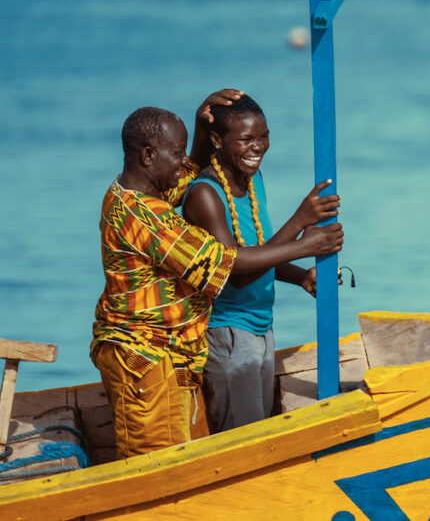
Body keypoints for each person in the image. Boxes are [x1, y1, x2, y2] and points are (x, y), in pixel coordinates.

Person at [91, 91, 344, 459]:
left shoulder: (137, 189)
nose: (184, 163)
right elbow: (224, 263)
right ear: (147, 156)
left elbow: (184, 177)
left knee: (195, 459)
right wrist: (306, 239)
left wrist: (198, 127)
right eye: (176, 154)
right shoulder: (145, 217)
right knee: (158, 467)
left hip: (173, 354)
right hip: (144, 356)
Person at [182, 94, 339, 433]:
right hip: (228, 335)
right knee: (244, 438)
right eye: (246, 140)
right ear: (217, 141)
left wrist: (300, 277)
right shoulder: (205, 195)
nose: (258, 147)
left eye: (264, 136)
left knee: (260, 428)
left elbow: (261, 254)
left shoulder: (253, 181)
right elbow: (233, 272)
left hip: (261, 327)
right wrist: (300, 227)